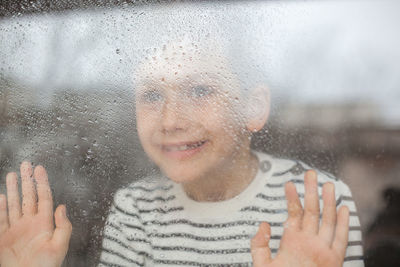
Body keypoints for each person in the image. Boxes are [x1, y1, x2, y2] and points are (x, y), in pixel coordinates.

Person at [0, 37, 364, 266]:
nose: (171, 120)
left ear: (252, 107)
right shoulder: (137, 208)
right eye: (152, 95)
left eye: (201, 91)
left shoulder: (317, 201)